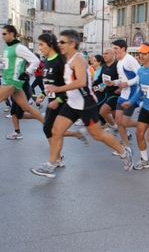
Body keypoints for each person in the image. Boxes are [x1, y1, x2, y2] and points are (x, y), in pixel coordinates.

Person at [30, 29, 133, 178]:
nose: (59, 44)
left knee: (98, 135)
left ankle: (125, 153)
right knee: (56, 131)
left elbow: (81, 82)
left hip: (86, 103)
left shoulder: (78, 59)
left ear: (72, 44)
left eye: (62, 42)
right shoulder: (66, 58)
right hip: (72, 103)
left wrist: (58, 89)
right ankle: (50, 166)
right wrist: (48, 93)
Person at [35, 33, 90, 166]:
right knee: (52, 129)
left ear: (50, 45)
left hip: (62, 101)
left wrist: (58, 100)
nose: (40, 48)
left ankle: (55, 160)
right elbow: (50, 83)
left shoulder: (60, 62)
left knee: (49, 129)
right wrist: (43, 94)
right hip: (51, 100)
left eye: (42, 44)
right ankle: (77, 136)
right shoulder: (47, 60)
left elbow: (68, 84)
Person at [0, 25, 44, 124]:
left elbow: (35, 60)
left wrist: (26, 72)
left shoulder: (19, 47)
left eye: (4, 34)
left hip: (12, 82)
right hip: (9, 81)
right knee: (25, 107)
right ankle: (47, 123)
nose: (2, 36)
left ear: (12, 34)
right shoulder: (7, 48)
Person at [104, 39, 140, 151]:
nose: (114, 51)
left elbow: (140, 76)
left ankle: (145, 123)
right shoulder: (119, 62)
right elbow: (121, 80)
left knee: (125, 122)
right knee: (119, 120)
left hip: (132, 94)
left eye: (116, 48)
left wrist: (128, 83)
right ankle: (126, 147)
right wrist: (113, 83)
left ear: (123, 48)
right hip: (123, 94)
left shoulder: (130, 60)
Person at [99, 48, 120, 135]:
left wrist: (120, 89)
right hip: (107, 93)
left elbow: (123, 79)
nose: (104, 55)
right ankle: (127, 134)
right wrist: (97, 87)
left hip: (115, 94)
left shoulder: (117, 66)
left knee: (102, 111)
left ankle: (115, 128)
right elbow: (101, 80)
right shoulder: (103, 67)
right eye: (104, 53)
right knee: (116, 118)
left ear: (112, 55)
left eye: (107, 53)